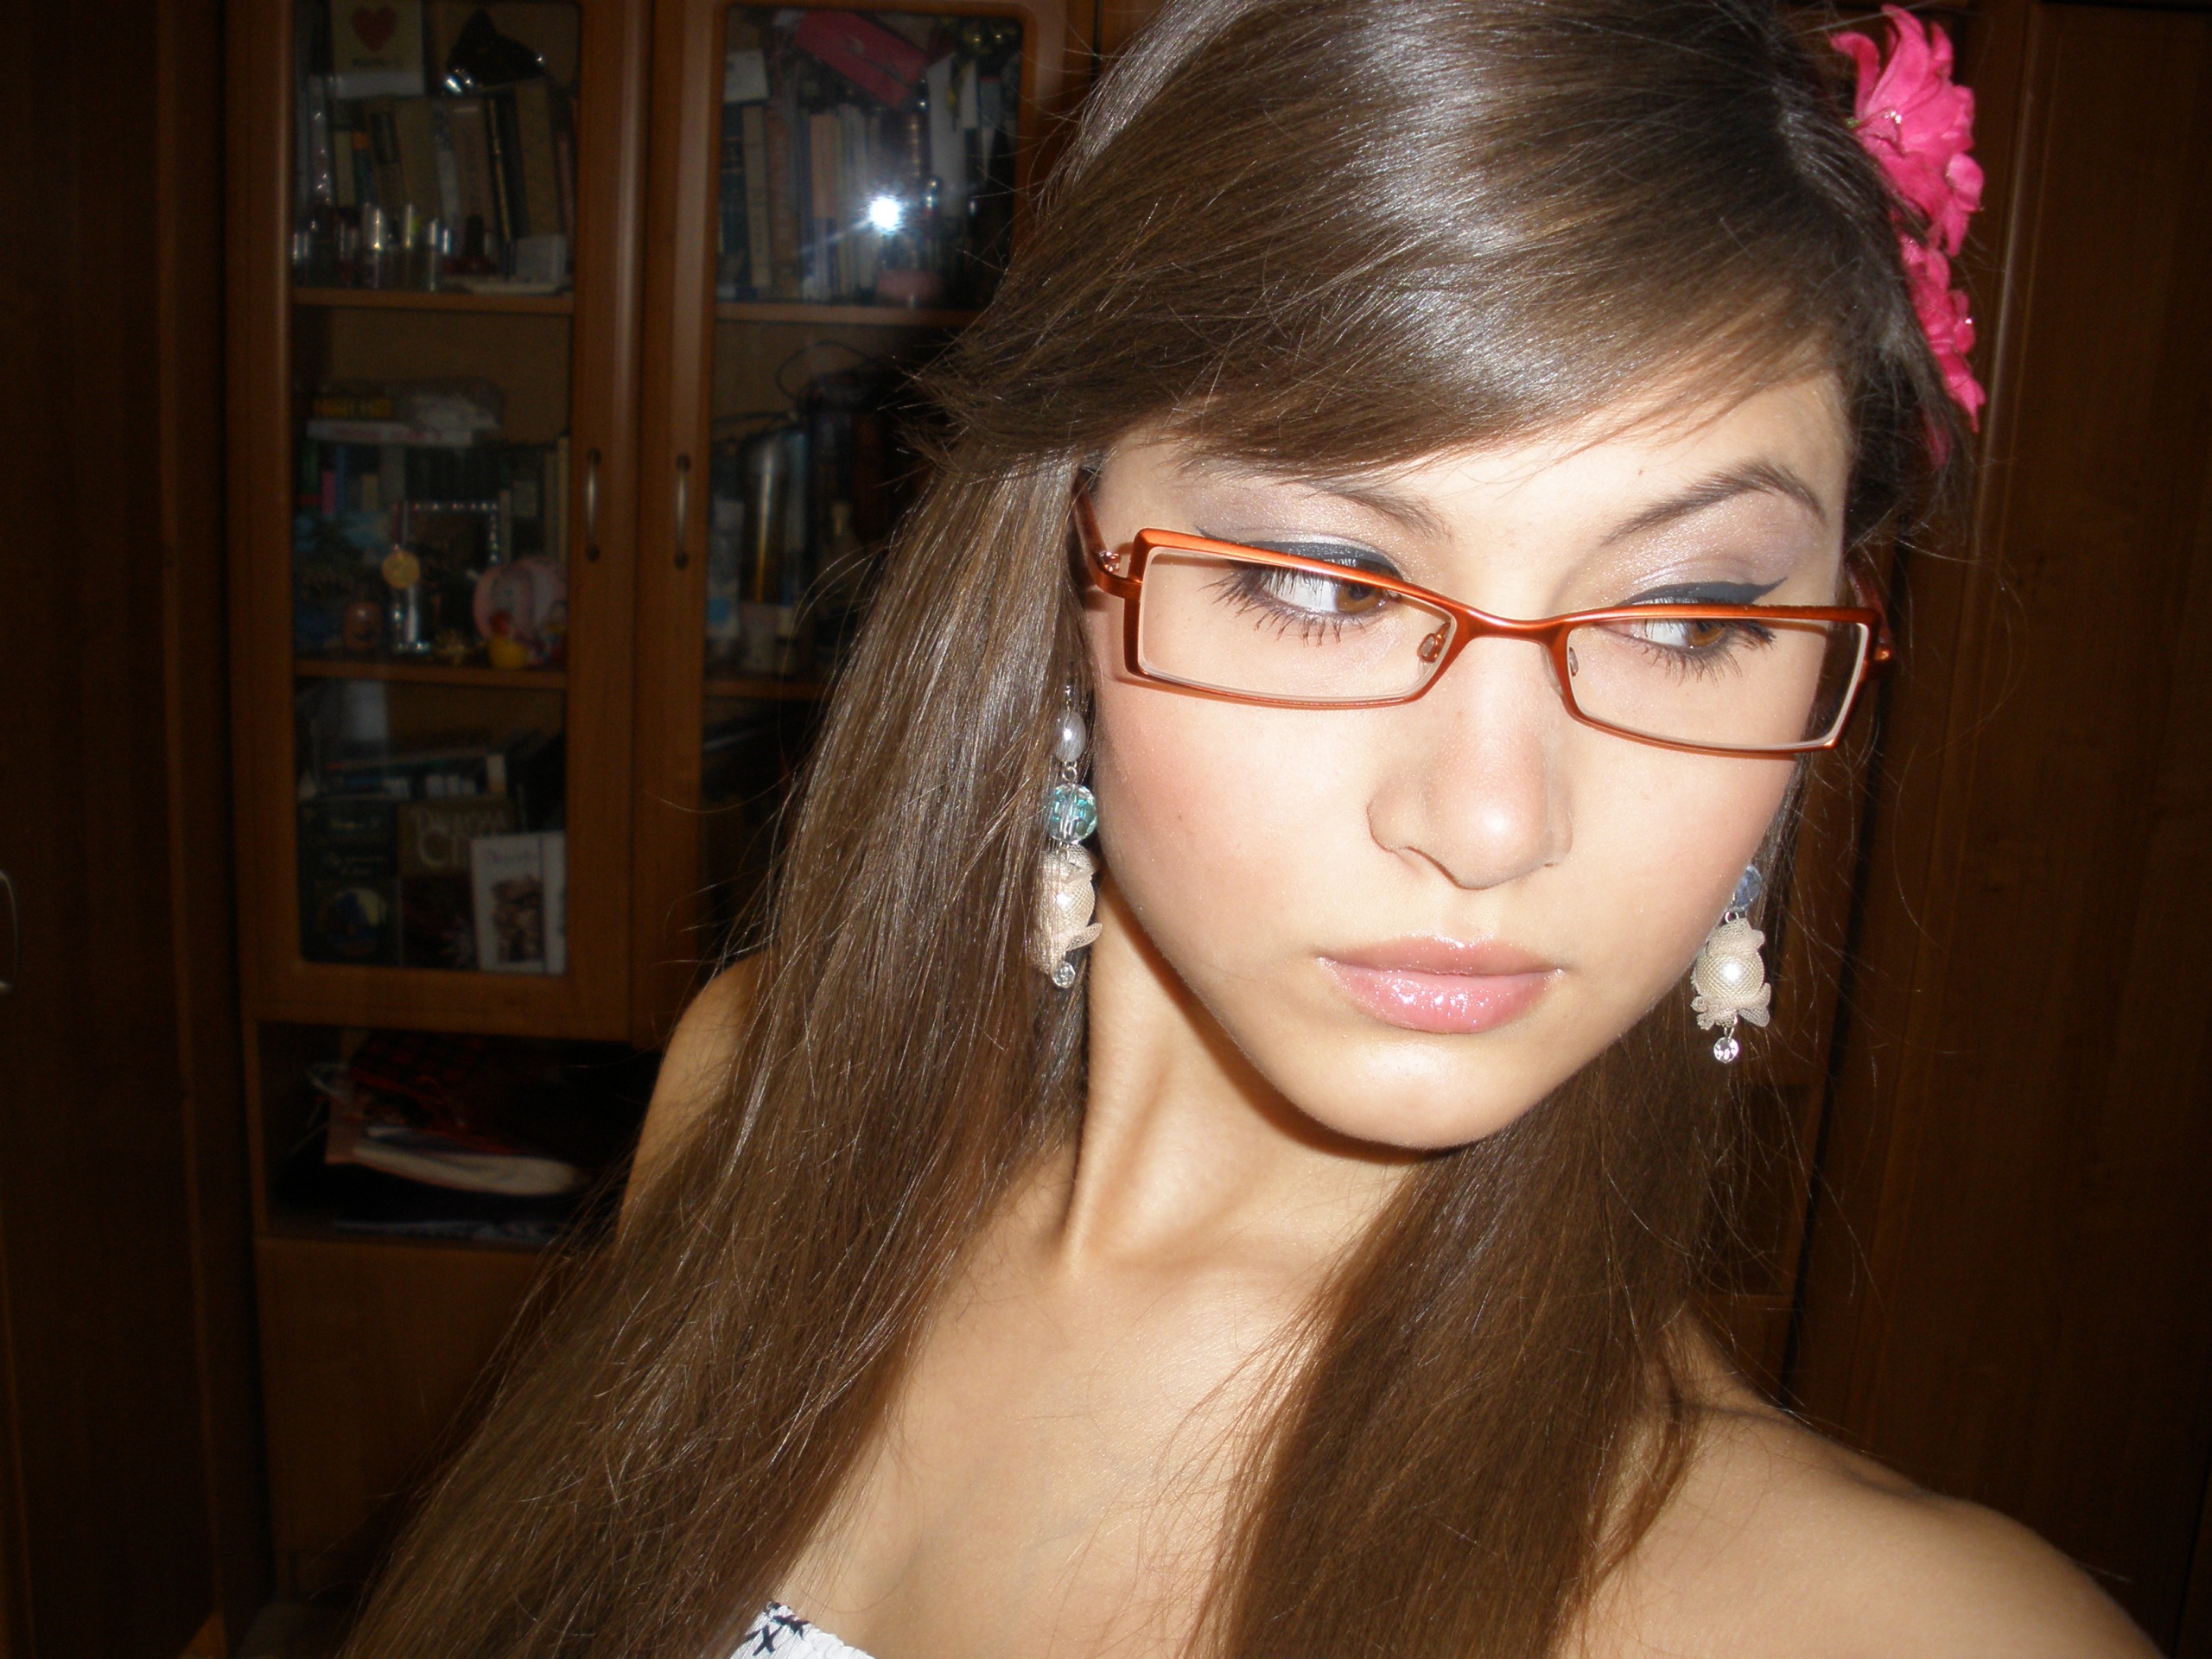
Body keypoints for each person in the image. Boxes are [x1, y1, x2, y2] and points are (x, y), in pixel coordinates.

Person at [343, 3, 2157, 1655]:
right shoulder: (743, 1096)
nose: (1488, 822)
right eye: (1322, 583)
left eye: (1685, 619)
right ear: (1068, 570)